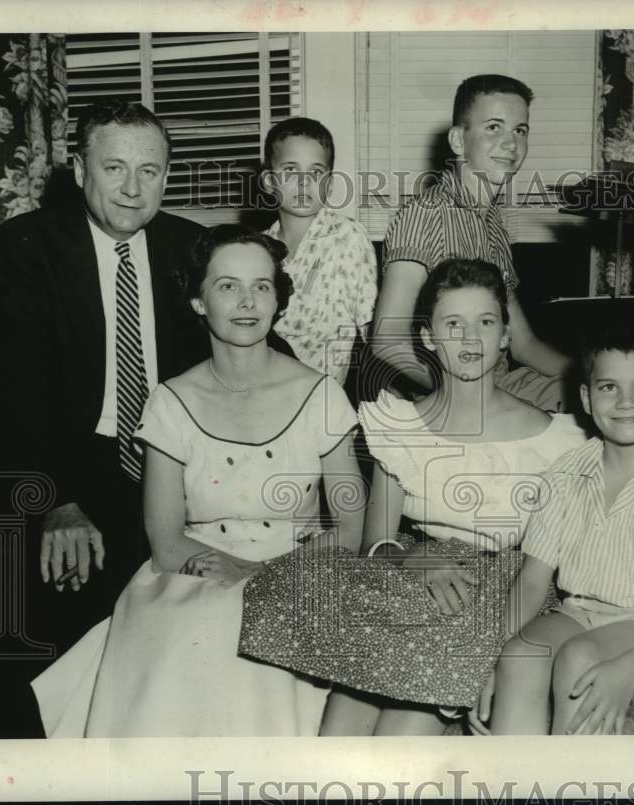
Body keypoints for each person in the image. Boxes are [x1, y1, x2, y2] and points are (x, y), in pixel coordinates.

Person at [30, 225, 366, 737]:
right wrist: (229, 571)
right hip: (195, 568)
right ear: (197, 300)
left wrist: (257, 571)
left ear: (278, 300)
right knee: (200, 629)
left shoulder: (321, 396)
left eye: (261, 286)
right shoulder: (170, 402)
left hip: (301, 571)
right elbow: (165, 541)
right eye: (228, 286)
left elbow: (351, 529)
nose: (247, 301)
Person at [236, 258, 587, 735]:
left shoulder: (558, 440)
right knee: (337, 730)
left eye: (485, 322)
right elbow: (376, 542)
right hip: (416, 585)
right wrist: (414, 558)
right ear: (428, 337)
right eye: (453, 324)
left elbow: (553, 565)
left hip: (503, 600)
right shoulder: (400, 425)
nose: (469, 339)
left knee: (397, 741)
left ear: (506, 335)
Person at [0, 100, 207, 736]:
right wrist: (59, 501)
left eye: (149, 171)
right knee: (55, 636)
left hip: (168, 462)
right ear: (80, 171)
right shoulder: (26, 247)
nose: (132, 188)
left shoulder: (191, 247)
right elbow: (15, 391)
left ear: (166, 176)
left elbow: (249, 345)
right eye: (114, 167)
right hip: (68, 460)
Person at [471, 329, 634, 736]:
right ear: (586, 398)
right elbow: (532, 581)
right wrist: (491, 662)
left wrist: (627, 671)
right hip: (580, 612)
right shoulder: (564, 475)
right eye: (609, 387)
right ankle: (514, 770)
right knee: (521, 653)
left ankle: (575, 772)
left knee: (579, 659)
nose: (625, 401)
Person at [370, 74, 570, 411]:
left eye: (520, 130)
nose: (511, 144)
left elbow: (523, 344)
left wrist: (594, 375)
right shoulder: (425, 215)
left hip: (502, 383)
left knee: (633, 400)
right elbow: (387, 340)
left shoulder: (494, 227)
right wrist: (465, 395)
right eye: (494, 127)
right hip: (450, 394)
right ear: (458, 140)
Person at [262, 117, 377, 385]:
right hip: (260, 386)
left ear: (330, 184)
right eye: (290, 170)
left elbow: (372, 330)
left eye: (315, 172)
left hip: (321, 394)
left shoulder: (348, 237)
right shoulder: (258, 248)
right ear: (269, 181)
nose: (304, 183)